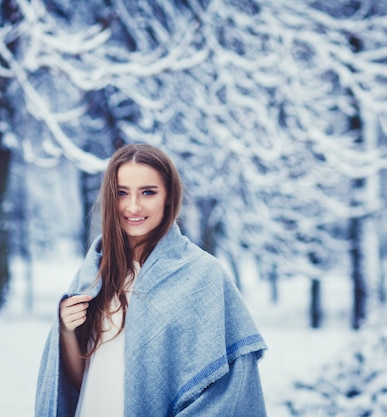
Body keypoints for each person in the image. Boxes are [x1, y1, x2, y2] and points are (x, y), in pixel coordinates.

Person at [34, 143, 268, 417]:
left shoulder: (202, 274)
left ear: (169, 196)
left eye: (148, 192)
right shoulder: (95, 271)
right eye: (122, 193)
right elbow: (79, 383)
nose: (133, 206)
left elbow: (229, 382)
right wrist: (66, 331)